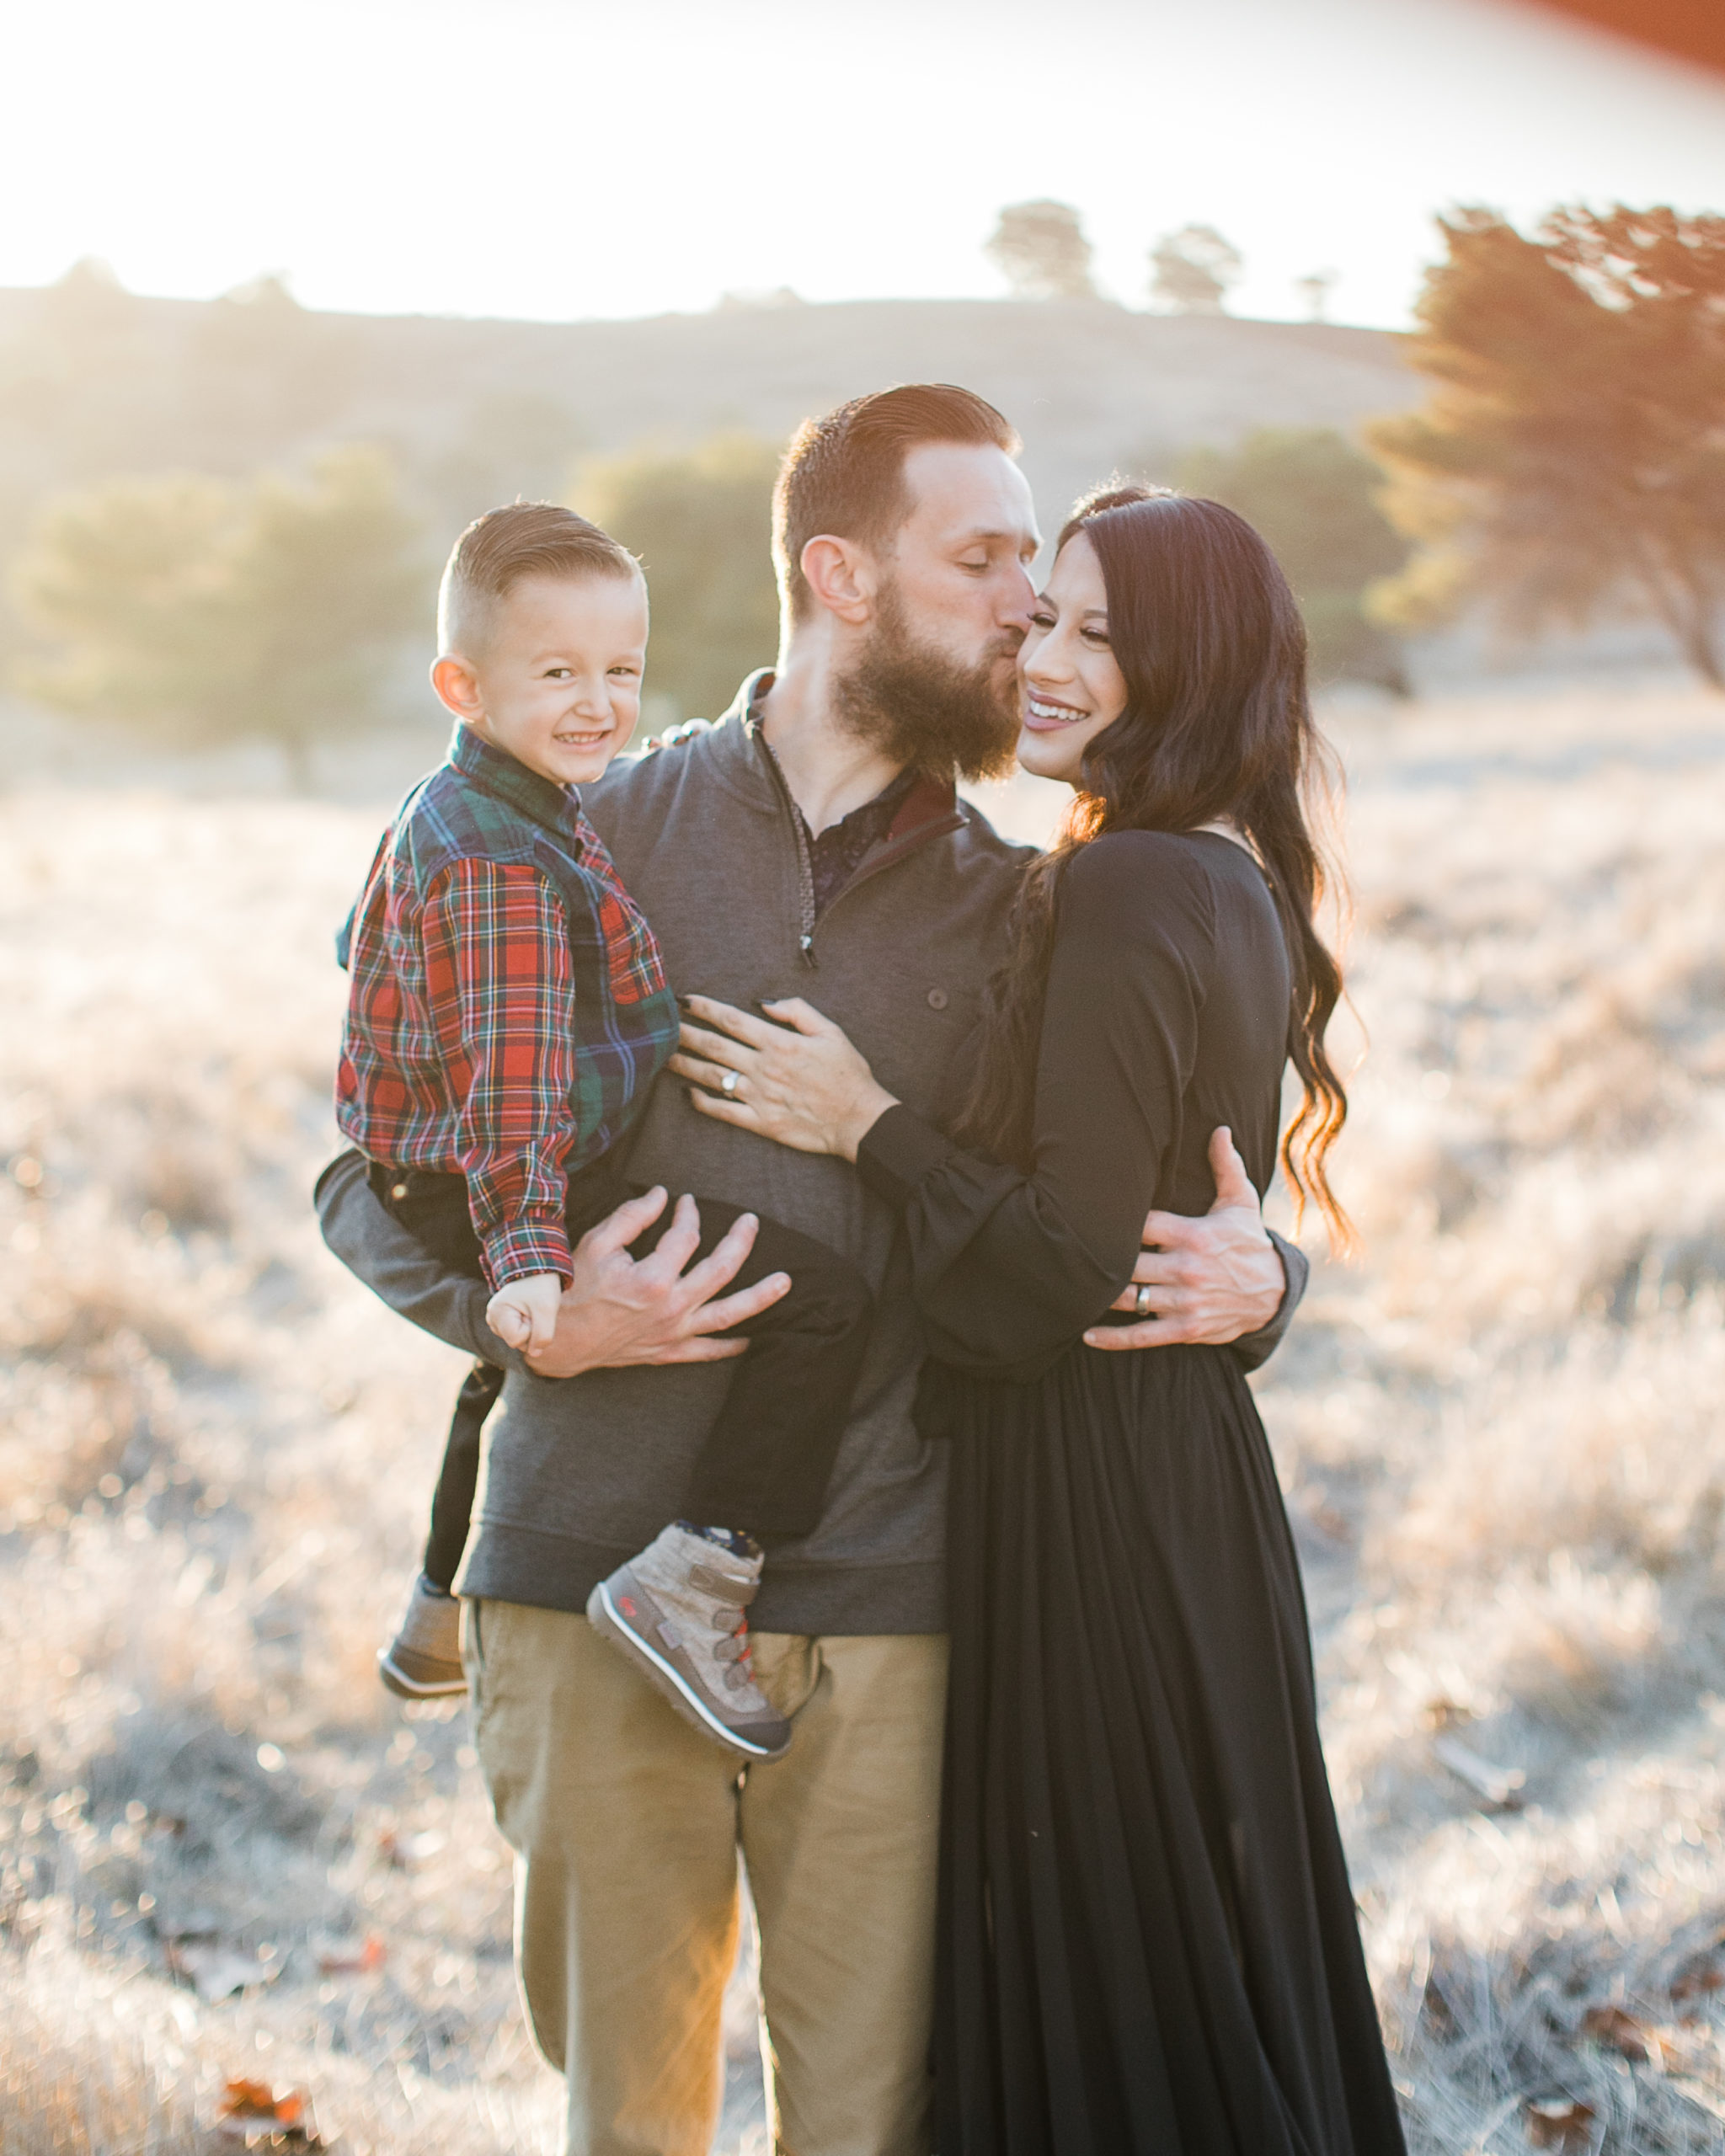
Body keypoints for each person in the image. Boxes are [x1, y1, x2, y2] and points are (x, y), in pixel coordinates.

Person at [315, 387, 1307, 2156]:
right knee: (630, 2122)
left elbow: (1123, 1213)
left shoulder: (1031, 905)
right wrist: (529, 1312)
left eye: (1037, 565)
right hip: (576, 1567)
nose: (1026, 605)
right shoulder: (576, 831)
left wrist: (1266, 1276)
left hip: (895, 1598)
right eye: (987, 558)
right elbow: (366, 1170)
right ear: (840, 574)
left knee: (869, 2127)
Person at [673, 485, 1406, 2153]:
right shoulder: (1204, 871)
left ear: (1195, 666)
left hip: (1096, 1500)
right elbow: (1159, 1213)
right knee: (1176, 1956)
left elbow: (1068, 1265)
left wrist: (863, 1121)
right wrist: (1265, 1276)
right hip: (1169, 1473)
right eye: (1045, 619)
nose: (1047, 658)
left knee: (1117, 1975)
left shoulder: (1127, 884)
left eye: (1101, 634)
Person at [338, 501, 873, 1760]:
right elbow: (514, 1080)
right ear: (462, 684)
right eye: (557, 672)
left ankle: (432, 1611)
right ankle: (703, 1572)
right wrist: (526, 1252)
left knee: (500, 1365)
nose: (598, 704)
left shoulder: (487, 804)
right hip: (494, 1178)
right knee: (826, 1301)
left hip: (433, 1169)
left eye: (620, 672)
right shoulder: (502, 864)